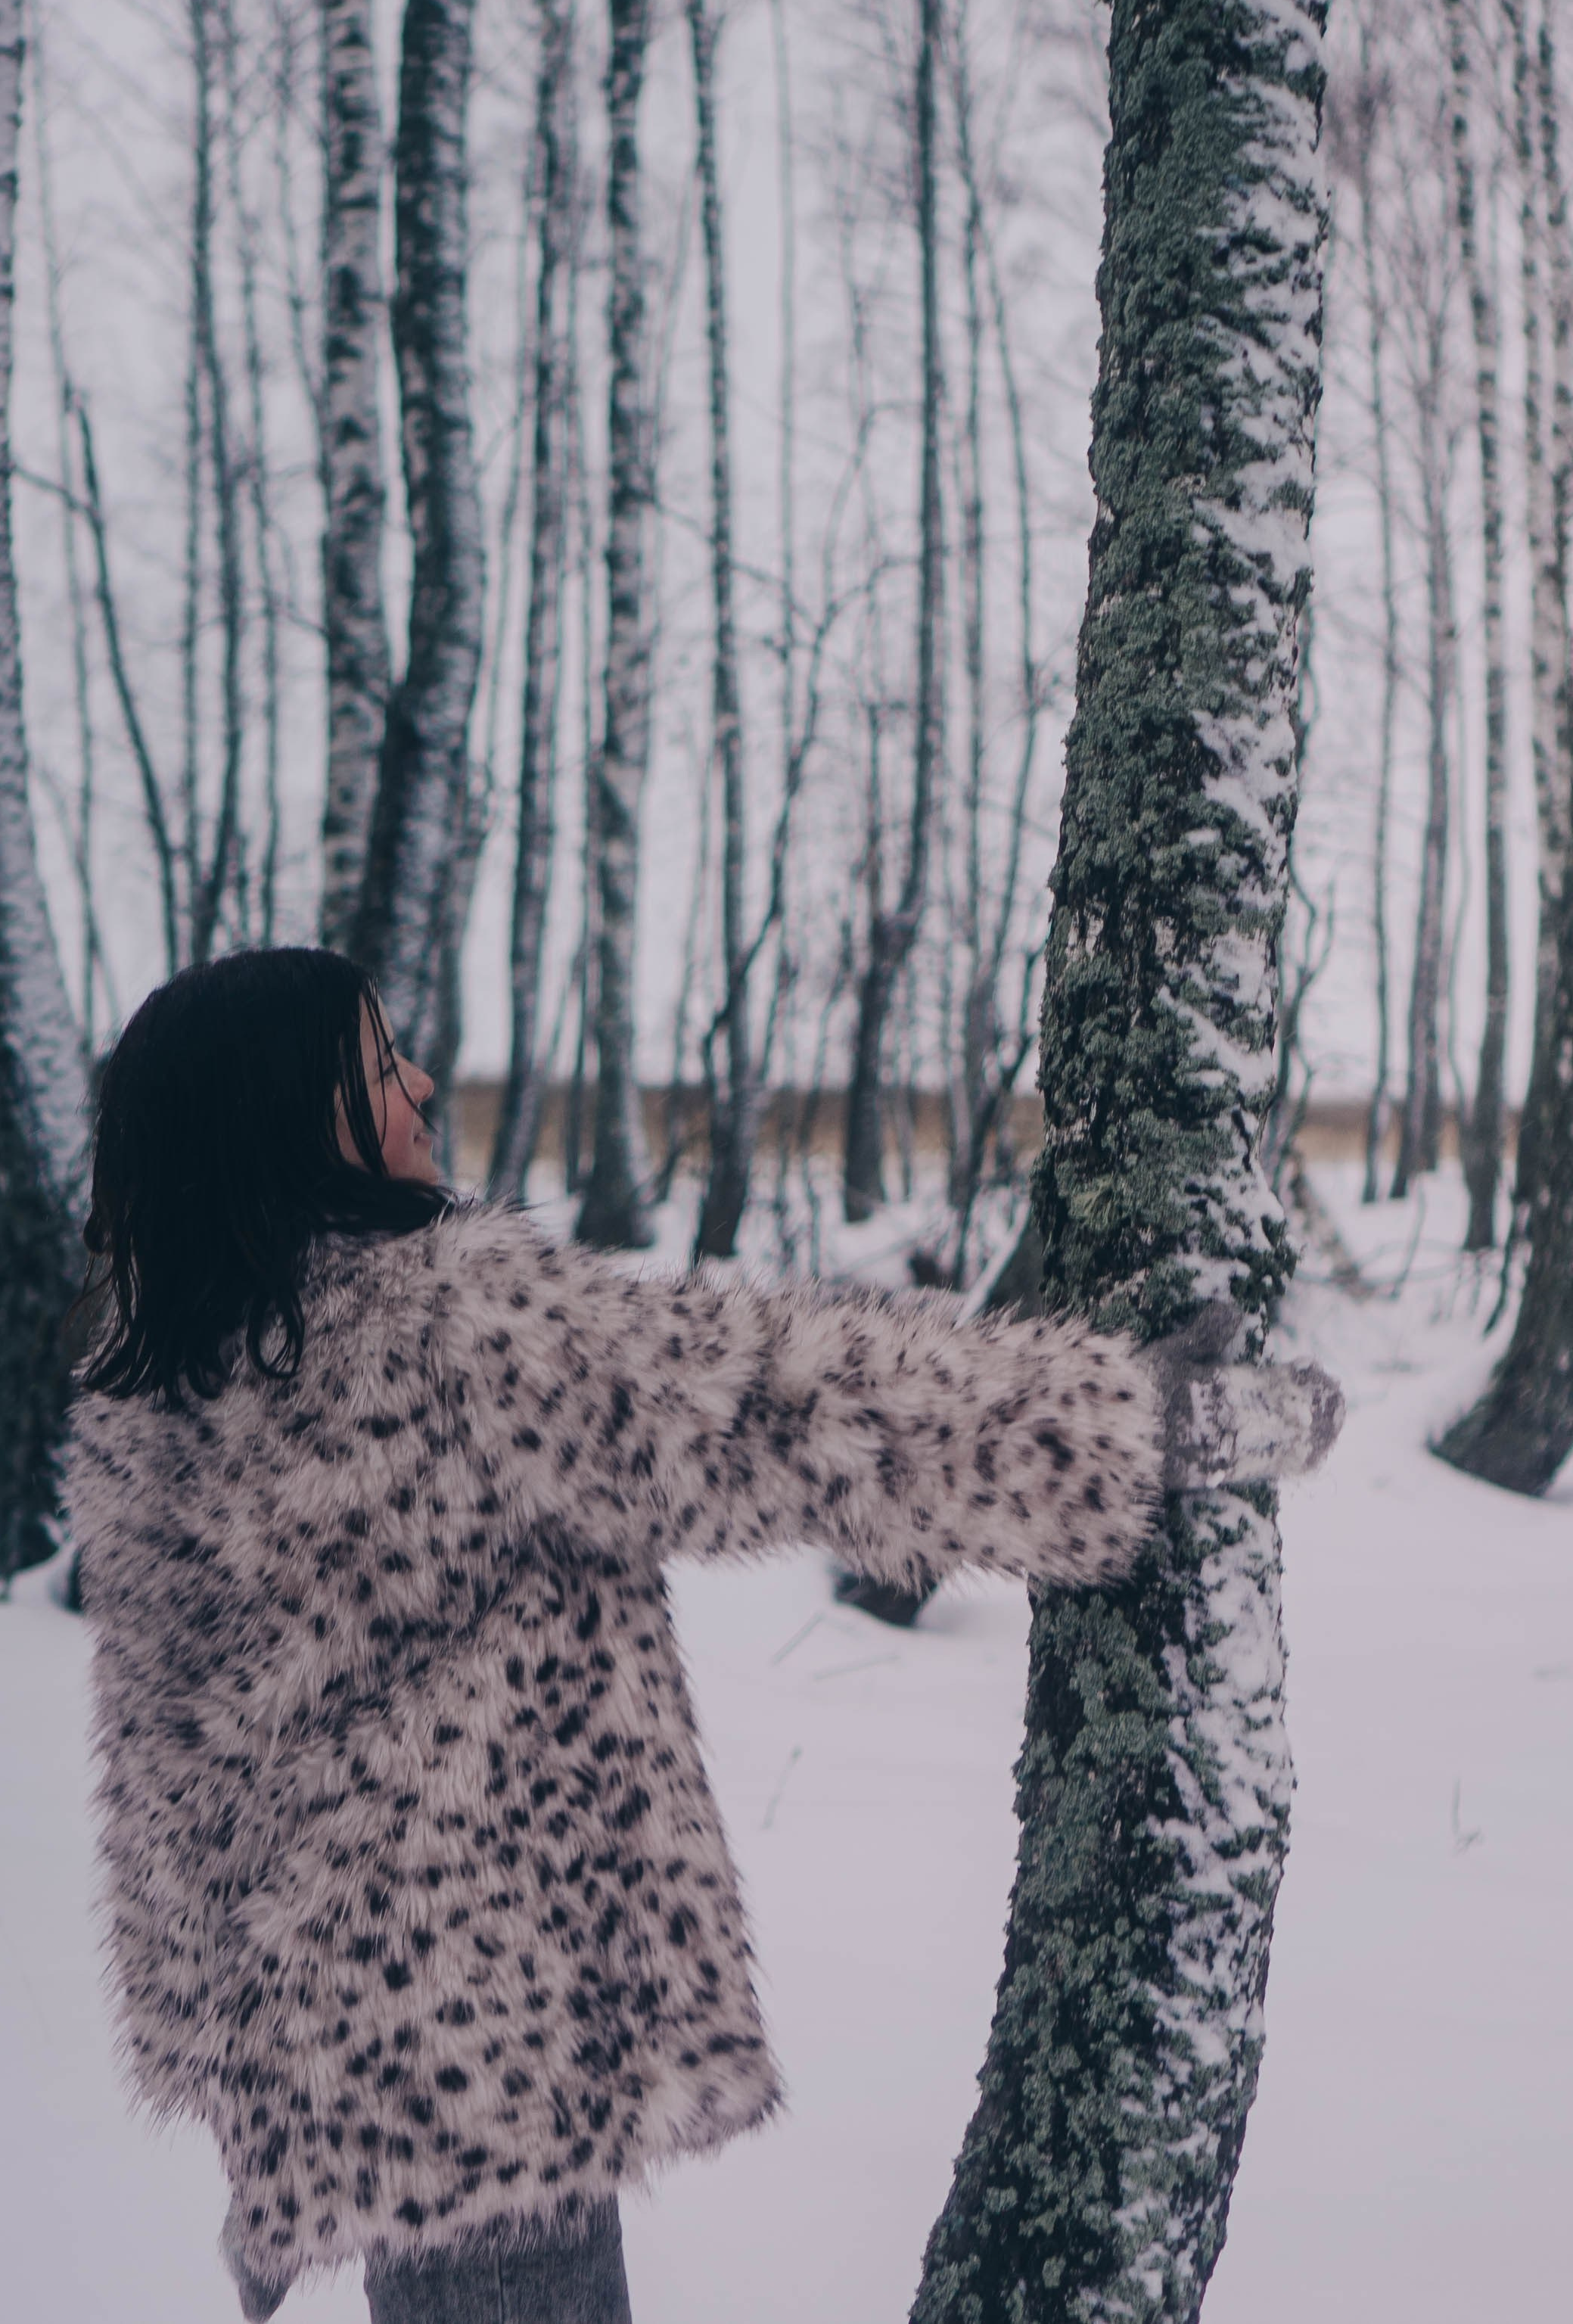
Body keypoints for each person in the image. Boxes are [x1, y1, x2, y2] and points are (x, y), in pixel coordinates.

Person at [67, 947, 1339, 2322]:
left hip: (340, 2062)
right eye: (378, 1069)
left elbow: (167, 1801)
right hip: (490, 2052)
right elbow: (777, 1409)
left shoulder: (169, 1403)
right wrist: (1136, 1426)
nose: (420, 1082)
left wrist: (255, 2116)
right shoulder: (448, 1328)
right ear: (280, 1122)